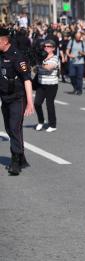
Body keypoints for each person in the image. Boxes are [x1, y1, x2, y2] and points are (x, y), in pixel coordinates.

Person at [0, 28, 34, 175]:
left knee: (14, 127)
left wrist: (30, 102)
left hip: (17, 98)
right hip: (4, 97)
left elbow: (27, 79)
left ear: (4, 41)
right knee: (9, 128)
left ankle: (15, 161)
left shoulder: (17, 56)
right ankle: (22, 156)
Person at [34, 40, 60, 132]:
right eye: (45, 46)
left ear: (53, 48)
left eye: (48, 46)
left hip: (51, 85)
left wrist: (40, 62)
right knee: (37, 103)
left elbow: (49, 67)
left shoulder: (55, 58)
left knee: (49, 104)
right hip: (41, 84)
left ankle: (52, 125)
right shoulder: (42, 57)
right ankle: (41, 121)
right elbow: (35, 69)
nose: (46, 48)